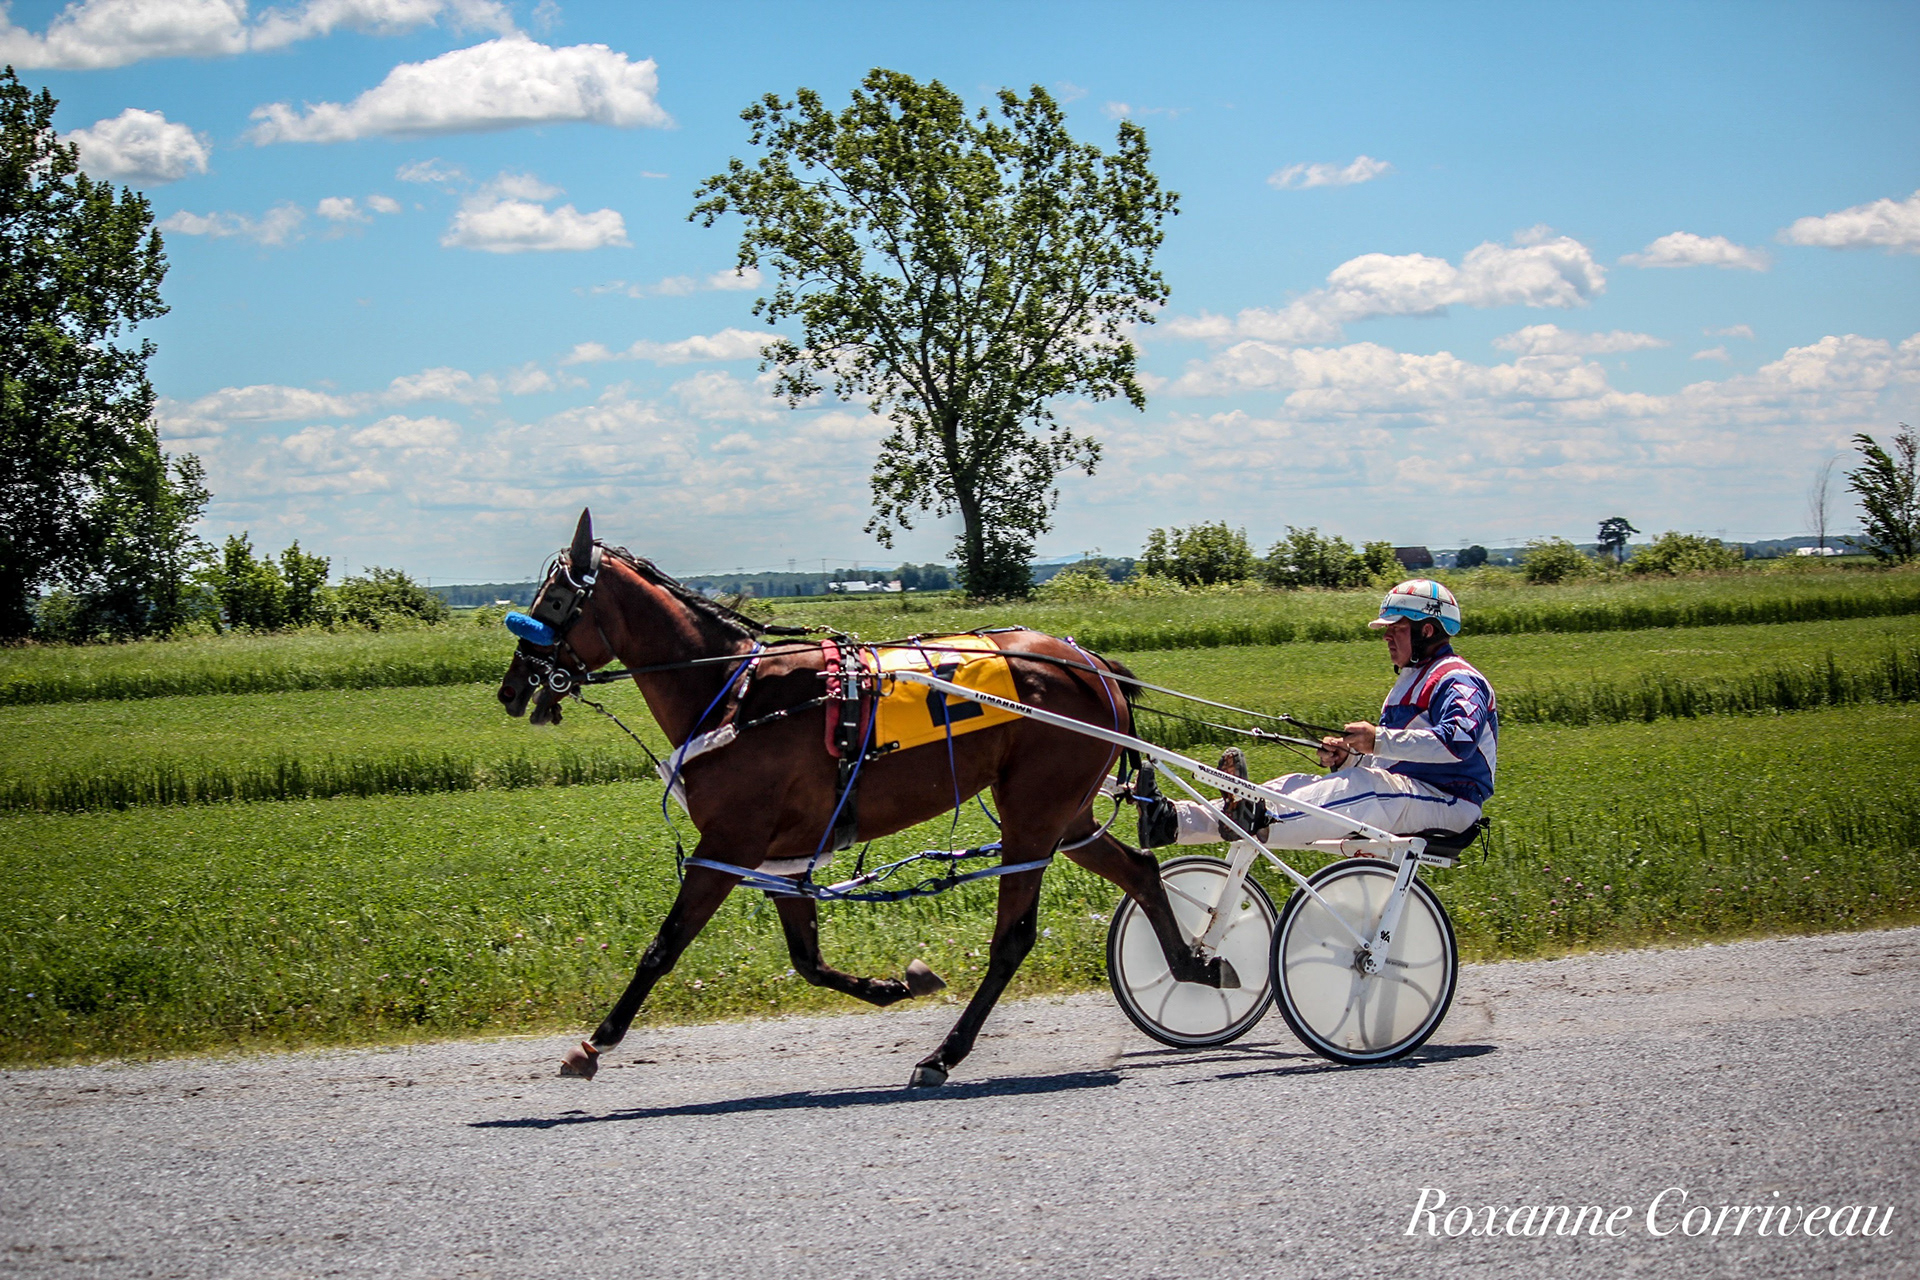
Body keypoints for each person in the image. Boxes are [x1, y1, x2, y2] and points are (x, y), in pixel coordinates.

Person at [1145, 579, 1496, 848]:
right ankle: (1174, 821)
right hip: (1413, 793)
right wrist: (1350, 758)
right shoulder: (1409, 683)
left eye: (1397, 629)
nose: (1387, 637)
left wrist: (1377, 739)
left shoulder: (1458, 678)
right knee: (1295, 784)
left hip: (1451, 801)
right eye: (1387, 630)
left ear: (1427, 631)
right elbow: (1394, 763)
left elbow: (1457, 743)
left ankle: (1259, 816)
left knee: (1366, 789)